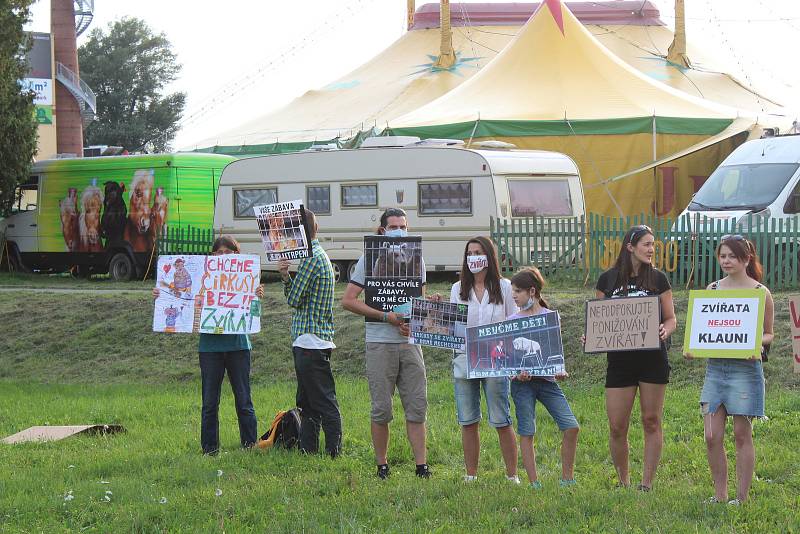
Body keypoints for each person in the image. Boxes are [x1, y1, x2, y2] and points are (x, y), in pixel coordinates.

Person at [341, 208, 431, 479]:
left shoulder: (418, 259)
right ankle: (382, 465)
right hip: (379, 342)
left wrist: (413, 322)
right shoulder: (368, 259)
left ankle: (421, 466)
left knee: (417, 404)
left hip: (409, 342)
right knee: (382, 408)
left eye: (403, 226)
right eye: (393, 226)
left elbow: (420, 301)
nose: (399, 231)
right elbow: (349, 300)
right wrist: (384, 316)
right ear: (382, 230)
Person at [153, 236, 263, 455]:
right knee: (210, 403)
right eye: (219, 252)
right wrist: (161, 294)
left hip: (239, 346)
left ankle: (250, 445)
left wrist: (257, 297)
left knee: (244, 399)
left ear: (237, 255)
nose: (223, 256)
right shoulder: (200, 277)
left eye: (228, 252)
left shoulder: (246, 276)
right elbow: (180, 295)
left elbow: (252, 315)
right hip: (209, 348)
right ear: (212, 256)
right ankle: (210, 449)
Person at [684, 235, 774, 505]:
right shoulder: (711, 290)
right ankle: (720, 495)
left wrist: (756, 342)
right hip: (715, 371)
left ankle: (742, 498)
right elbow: (702, 330)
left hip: (746, 372)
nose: (726, 261)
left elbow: (769, 334)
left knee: (741, 434)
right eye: (722, 256)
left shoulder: (760, 292)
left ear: (746, 259)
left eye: (732, 256)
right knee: (711, 435)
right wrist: (692, 347)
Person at [592, 225, 676, 491]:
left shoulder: (659, 279)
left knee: (651, 420)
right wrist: (591, 336)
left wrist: (666, 328)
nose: (651, 249)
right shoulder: (607, 280)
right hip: (619, 363)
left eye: (653, 244)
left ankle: (647, 483)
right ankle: (623, 481)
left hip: (653, 359)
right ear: (630, 246)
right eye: (646, 244)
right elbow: (598, 321)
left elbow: (672, 318)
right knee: (617, 426)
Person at [449, 236, 519, 483]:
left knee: (501, 418)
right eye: (469, 253)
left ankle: (512, 475)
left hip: (496, 360)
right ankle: (471, 475)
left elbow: (514, 322)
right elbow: (452, 327)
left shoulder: (506, 287)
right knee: (468, 419)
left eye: (478, 252)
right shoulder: (457, 289)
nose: (473, 257)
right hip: (465, 358)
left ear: (489, 256)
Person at [508, 267, 579, 489]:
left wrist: (560, 370)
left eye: (518, 291)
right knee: (526, 431)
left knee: (571, 426)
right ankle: (534, 482)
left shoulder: (550, 317)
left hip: (547, 381)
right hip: (522, 385)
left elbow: (554, 353)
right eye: (512, 291)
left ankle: (567, 478)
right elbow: (509, 358)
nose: (514, 296)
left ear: (532, 291)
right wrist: (516, 373)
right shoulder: (511, 320)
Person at [278, 210, 342, 457]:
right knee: (307, 401)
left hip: (310, 341)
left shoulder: (311, 258)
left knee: (324, 401)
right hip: (316, 339)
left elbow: (294, 299)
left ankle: (333, 452)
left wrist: (285, 277)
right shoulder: (319, 255)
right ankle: (308, 450)